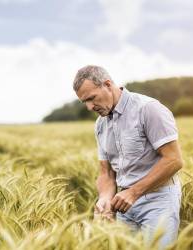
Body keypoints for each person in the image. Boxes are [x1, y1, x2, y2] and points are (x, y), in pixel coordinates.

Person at [73, 65, 184, 248]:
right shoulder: (100, 125)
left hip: (158, 202)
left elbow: (174, 160)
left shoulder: (148, 109)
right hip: (123, 205)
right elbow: (106, 173)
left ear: (108, 84)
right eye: (84, 102)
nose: (89, 107)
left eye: (92, 98)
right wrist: (105, 198)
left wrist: (134, 192)